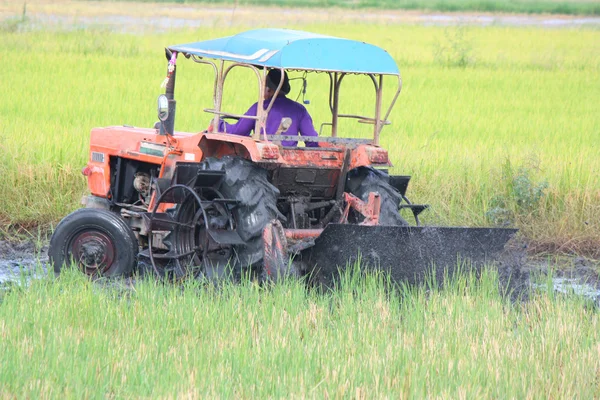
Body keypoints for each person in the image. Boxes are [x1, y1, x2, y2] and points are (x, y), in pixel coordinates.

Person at [210, 69, 319, 147]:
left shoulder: (259, 107)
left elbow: (238, 131)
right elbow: (312, 141)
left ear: (268, 89)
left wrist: (218, 124)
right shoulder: (300, 110)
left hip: (263, 162)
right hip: (290, 160)